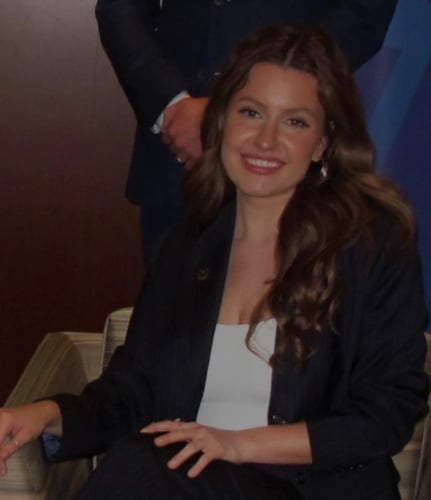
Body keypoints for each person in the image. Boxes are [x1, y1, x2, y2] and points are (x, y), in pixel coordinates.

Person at [0, 24, 428, 500]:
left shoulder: (370, 245)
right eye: (251, 113)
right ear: (222, 122)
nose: (265, 140)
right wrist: (46, 415)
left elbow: (388, 412)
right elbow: (130, 393)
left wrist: (237, 444)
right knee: (147, 462)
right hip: (187, 487)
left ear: (323, 144)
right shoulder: (187, 247)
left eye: (295, 122)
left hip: (316, 492)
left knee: (145, 464)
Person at [95, 0, 399, 261]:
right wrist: (170, 106)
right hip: (177, 159)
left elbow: (365, 11)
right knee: (170, 309)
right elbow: (120, 8)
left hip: (288, 161)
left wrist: (265, 97)